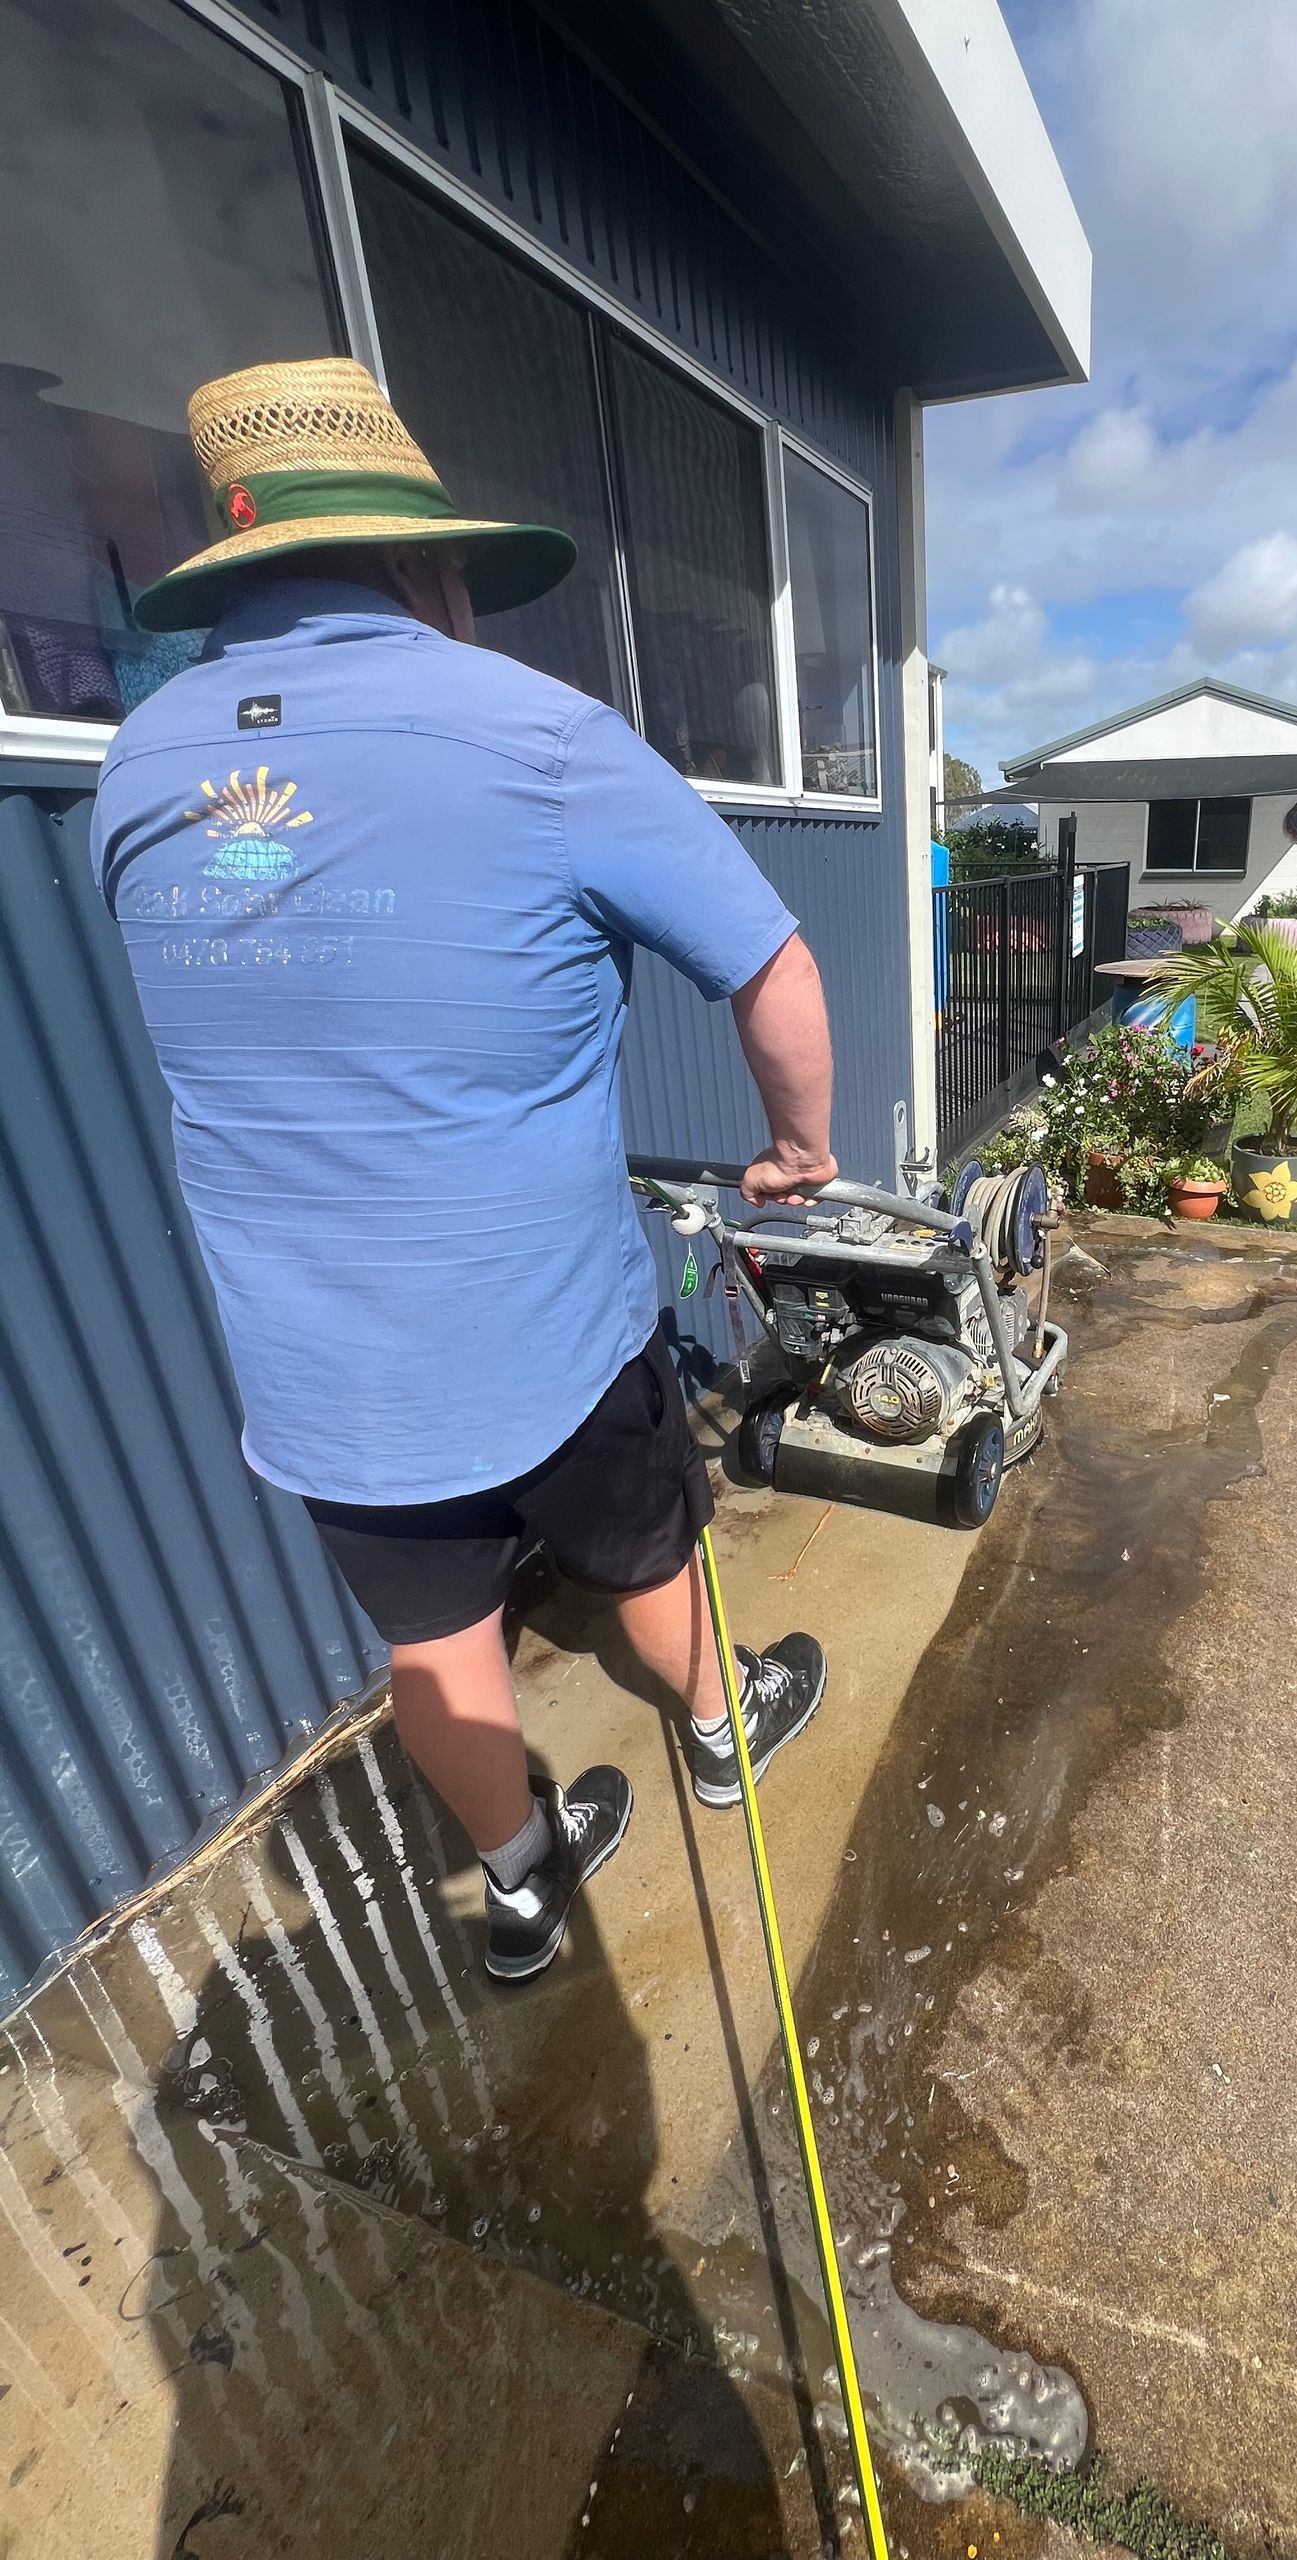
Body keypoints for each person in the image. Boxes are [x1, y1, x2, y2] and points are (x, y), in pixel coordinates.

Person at [90, 357, 837, 1982]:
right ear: (423, 562)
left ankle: (517, 1881)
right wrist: (798, 1150)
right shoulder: (540, 735)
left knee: (436, 1647)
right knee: (644, 1547)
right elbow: (774, 968)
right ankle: (723, 1731)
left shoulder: (139, 769)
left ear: (237, 571)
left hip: (319, 1366)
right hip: (546, 1330)